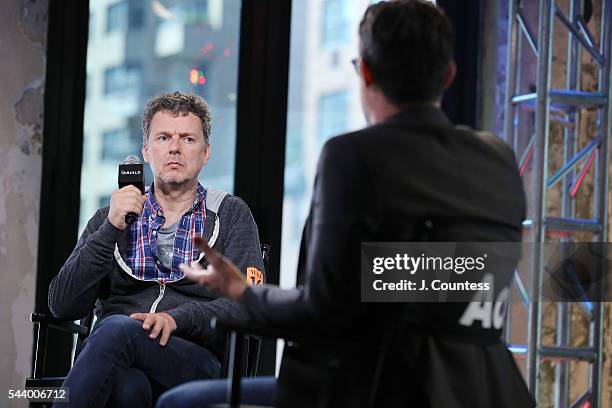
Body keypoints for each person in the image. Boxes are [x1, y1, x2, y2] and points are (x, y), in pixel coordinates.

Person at [159, 1, 535, 407]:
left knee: (180, 404)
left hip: (376, 389)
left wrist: (242, 292)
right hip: (487, 390)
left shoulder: (353, 156)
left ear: (366, 73)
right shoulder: (498, 159)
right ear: (448, 74)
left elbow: (325, 313)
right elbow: (443, 284)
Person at [48, 91, 264, 407]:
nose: (174, 147)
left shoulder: (231, 214)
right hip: (116, 359)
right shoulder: (110, 217)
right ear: (146, 151)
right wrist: (110, 230)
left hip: (193, 359)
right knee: (127, 388)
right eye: (163, 138)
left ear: (206, 153)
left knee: (119, 329)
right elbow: (61, 305)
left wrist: (178, 318)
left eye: (188, 139)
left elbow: (247, 303)